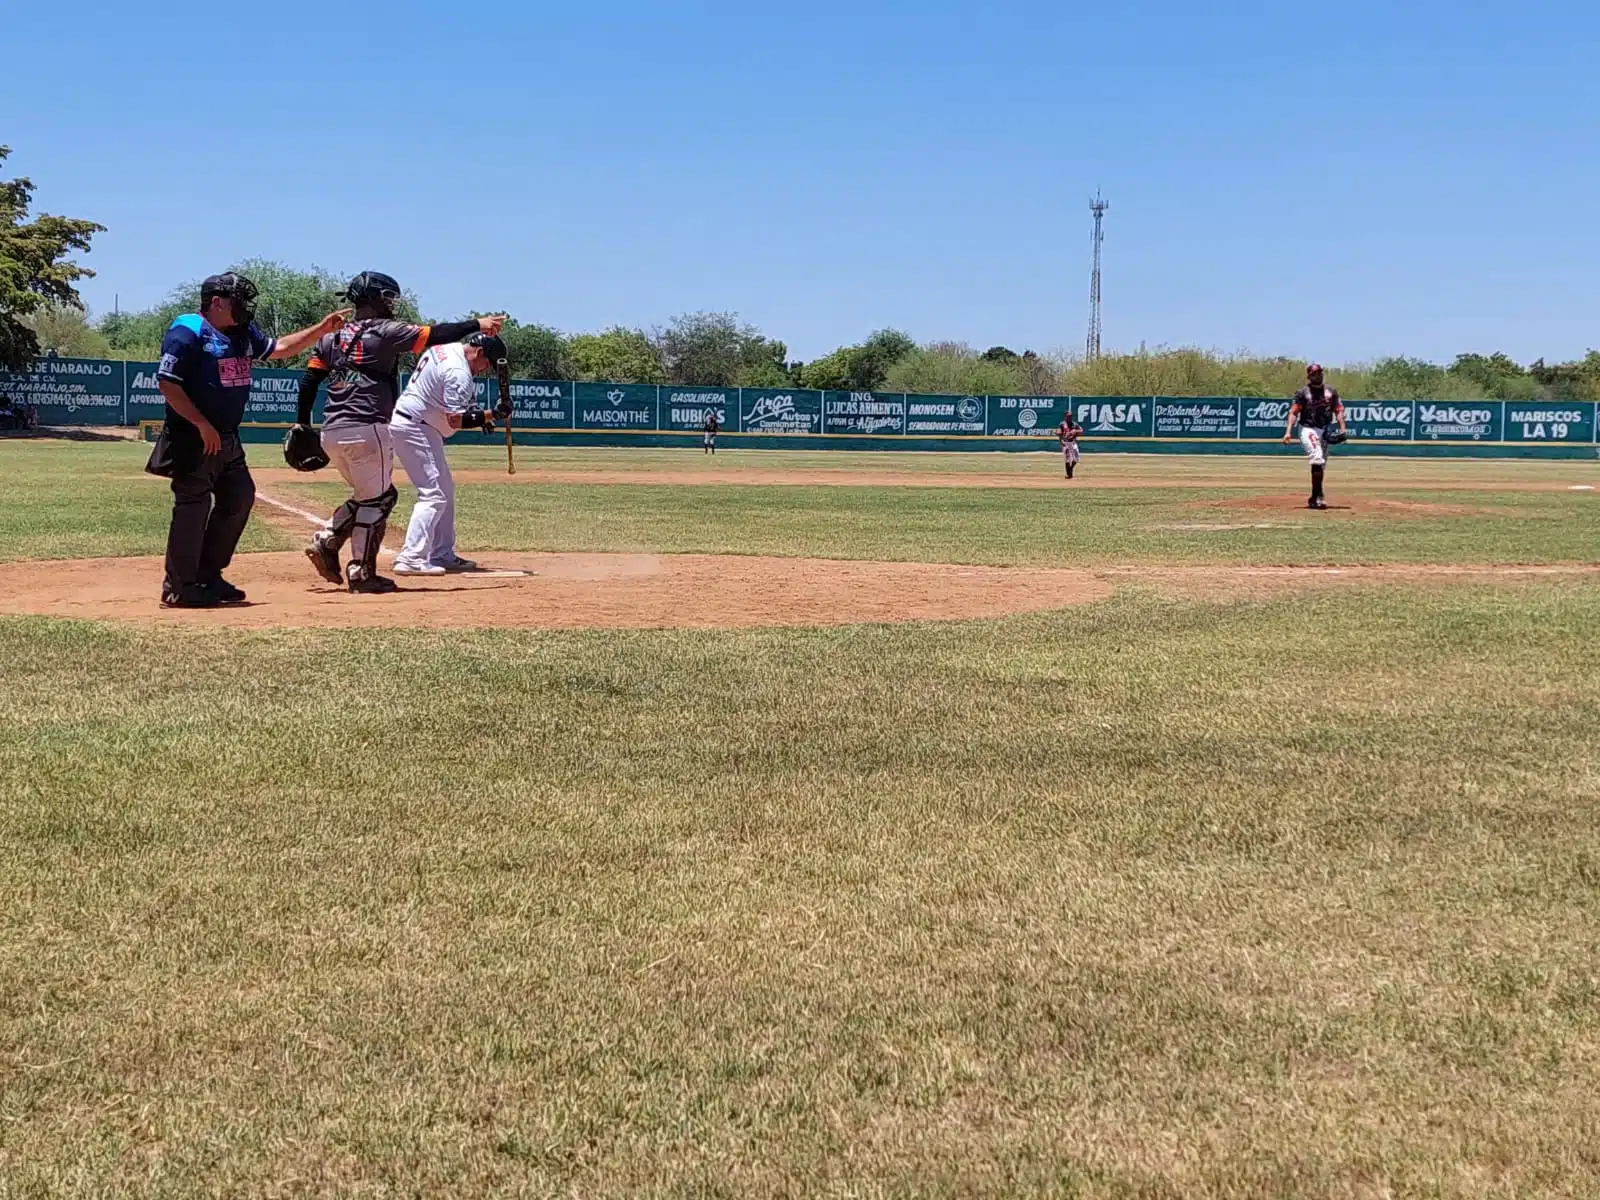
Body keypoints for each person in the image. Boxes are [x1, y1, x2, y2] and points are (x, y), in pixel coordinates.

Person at [289, 271, 504, 593]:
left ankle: (329, 540)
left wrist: (302, 422)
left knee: (372, 495)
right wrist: (477, 324)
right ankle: (360, 571)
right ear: (375, 299)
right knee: (377, 500)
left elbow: (309, 382)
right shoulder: (386, 331)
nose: (392, 304)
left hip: (332, 427)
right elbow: (435, 334)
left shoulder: (330, 338)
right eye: (388, 298)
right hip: (367, 425)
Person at [146, 272, 347, 608]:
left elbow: (280, 348)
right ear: (216, 303)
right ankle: (179, 587)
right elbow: (168, 383)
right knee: (192, 507)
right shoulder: (188, 331)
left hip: (226, 437)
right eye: (238, 300)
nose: (245, 307)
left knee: (239, 497)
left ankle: (208, 575)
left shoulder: (240, 334)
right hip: (192, 437)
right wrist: (201, 424)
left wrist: (322, 329)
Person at [387, 332, 510, 576]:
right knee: (433, 494)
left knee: (445, 490)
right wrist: (491, 414)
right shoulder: (459, 373)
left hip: (417, 422)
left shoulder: (448, 349)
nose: (485, 370)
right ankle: (411, 557)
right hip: (416, 427)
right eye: (487, 364)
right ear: (480, 352)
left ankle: (442, 553)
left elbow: (449, 397)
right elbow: (454, 421)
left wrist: (477, 414)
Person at [1282, 363, 1348, 509]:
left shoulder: (1331, 392)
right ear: (1309, 376)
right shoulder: (1303, 393)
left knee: (1321, 464)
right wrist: (1288, 431)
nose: (1318, 375)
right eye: (1315, 373)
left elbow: (1338, 410)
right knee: (1317, 458)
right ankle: (1318, 497)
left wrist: (1343, 429)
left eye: (1320, 373)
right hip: (1308, 429)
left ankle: (1315, 495)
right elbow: (1293, 412)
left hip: (1324, 429)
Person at [1057, 411, 1082, 479]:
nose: (1069, 417)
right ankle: (1069, 475)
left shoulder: (1074, 424)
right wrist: (1061, 440)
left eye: (1070, 416)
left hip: (1073, 442)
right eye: (1068, 416)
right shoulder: (1062, 424)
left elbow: (1081, 430)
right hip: (1066, 443)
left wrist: (1075, 431)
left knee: (1076, 459)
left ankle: (1070, 469)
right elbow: (1059, 432)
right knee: (1067, 459)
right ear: (1065, 416)